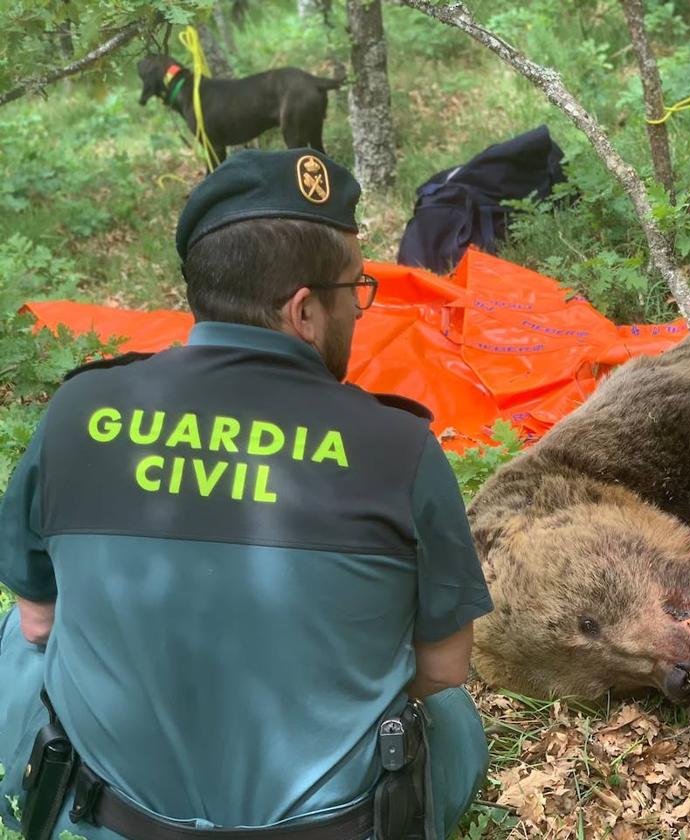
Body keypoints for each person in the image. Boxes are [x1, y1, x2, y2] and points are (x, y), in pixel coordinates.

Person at [0, 148, 493, 840]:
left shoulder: (79, 410)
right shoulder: (400, 449)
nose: (359, 306)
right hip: (337, 826)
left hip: (113, 820)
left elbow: (38, 622)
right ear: (304, 312)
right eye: (354, 289)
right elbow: (444, 665)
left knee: (15, 647)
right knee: (452, 718)